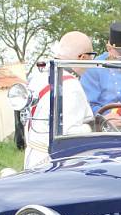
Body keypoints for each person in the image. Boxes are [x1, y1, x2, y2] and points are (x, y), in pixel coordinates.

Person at [23, 31, 96, 169]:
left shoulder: (39, 76)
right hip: (54, 161)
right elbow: (69, 135)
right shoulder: (70, 85)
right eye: (91, 56)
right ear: (82, 57)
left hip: (32, 155)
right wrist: (93, 127)